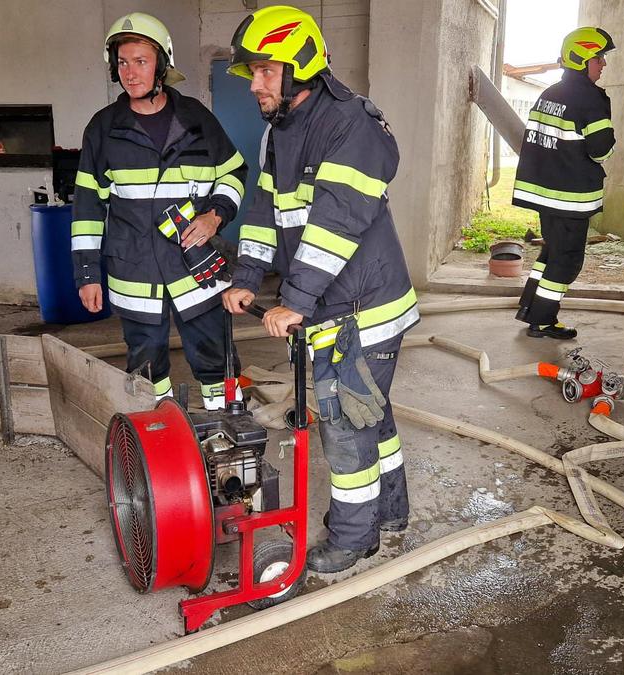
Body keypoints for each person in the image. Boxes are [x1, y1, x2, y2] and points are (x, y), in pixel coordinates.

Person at [222, 5, 419, 574]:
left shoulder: (350, 123)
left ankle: (353, 538)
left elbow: (338, 221)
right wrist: (245, 279)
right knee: (371, 416)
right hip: (335, 308)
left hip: (364, 310)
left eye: (265, 70)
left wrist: (294, 301)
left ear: (300, 66)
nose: (255, 83)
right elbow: (264, 212)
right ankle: (391, 514)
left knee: (344, 422)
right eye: (252, 71)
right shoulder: (279, 132)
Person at [72, 12, 248, 409]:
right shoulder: (102, 129)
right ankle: (160, 437)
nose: (130, 73)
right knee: (146, 367)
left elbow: (235, 172)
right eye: (122, 62)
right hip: (134, 273)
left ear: (162, 65)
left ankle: (225, 435)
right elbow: (86, 207)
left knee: (216, 359)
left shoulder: (198, 121)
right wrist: (86, 274)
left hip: (196, 267)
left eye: (140, 61)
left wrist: (215, 215)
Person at [513, 27, 616, 340]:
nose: (603, 64)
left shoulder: (551, 93)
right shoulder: (589, 98)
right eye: (599, 58)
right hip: (569, 198)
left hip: (546, 194)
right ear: (583, 59)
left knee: (552, 254)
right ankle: (543, 321)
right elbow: (601, 149)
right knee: (567, 261)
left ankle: (530, 308)